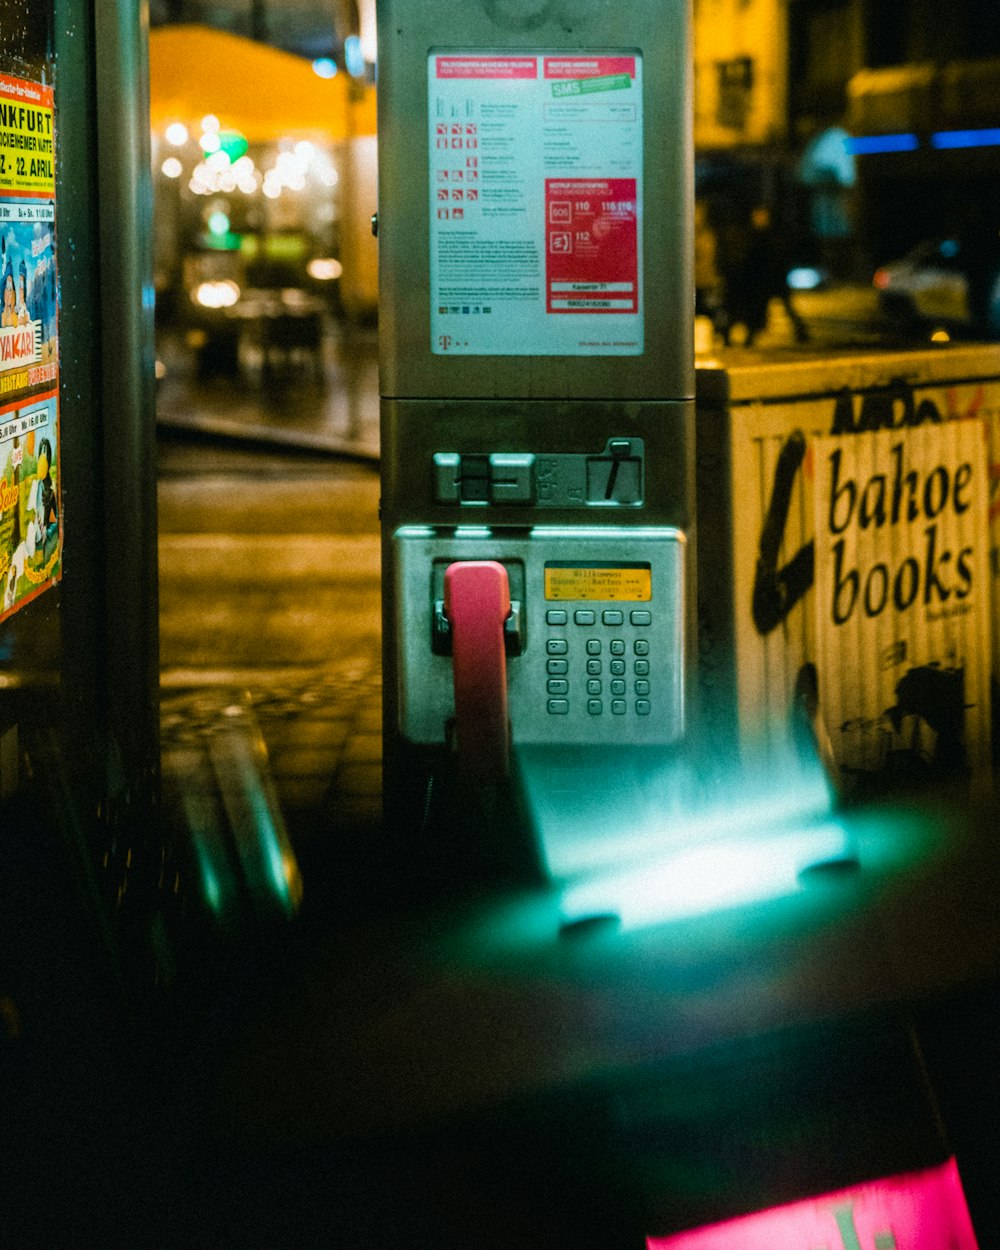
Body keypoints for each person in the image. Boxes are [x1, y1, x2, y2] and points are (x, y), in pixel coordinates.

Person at [728, 205, 810, 347]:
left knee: (778, 307)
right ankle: (751, 337)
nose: (757, 219)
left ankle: (801, 331)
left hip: (771, 279)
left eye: (761, 216)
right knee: (761, 309)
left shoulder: (770, 236)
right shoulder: (757, 235)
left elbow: (775, 258)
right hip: (764, 280)